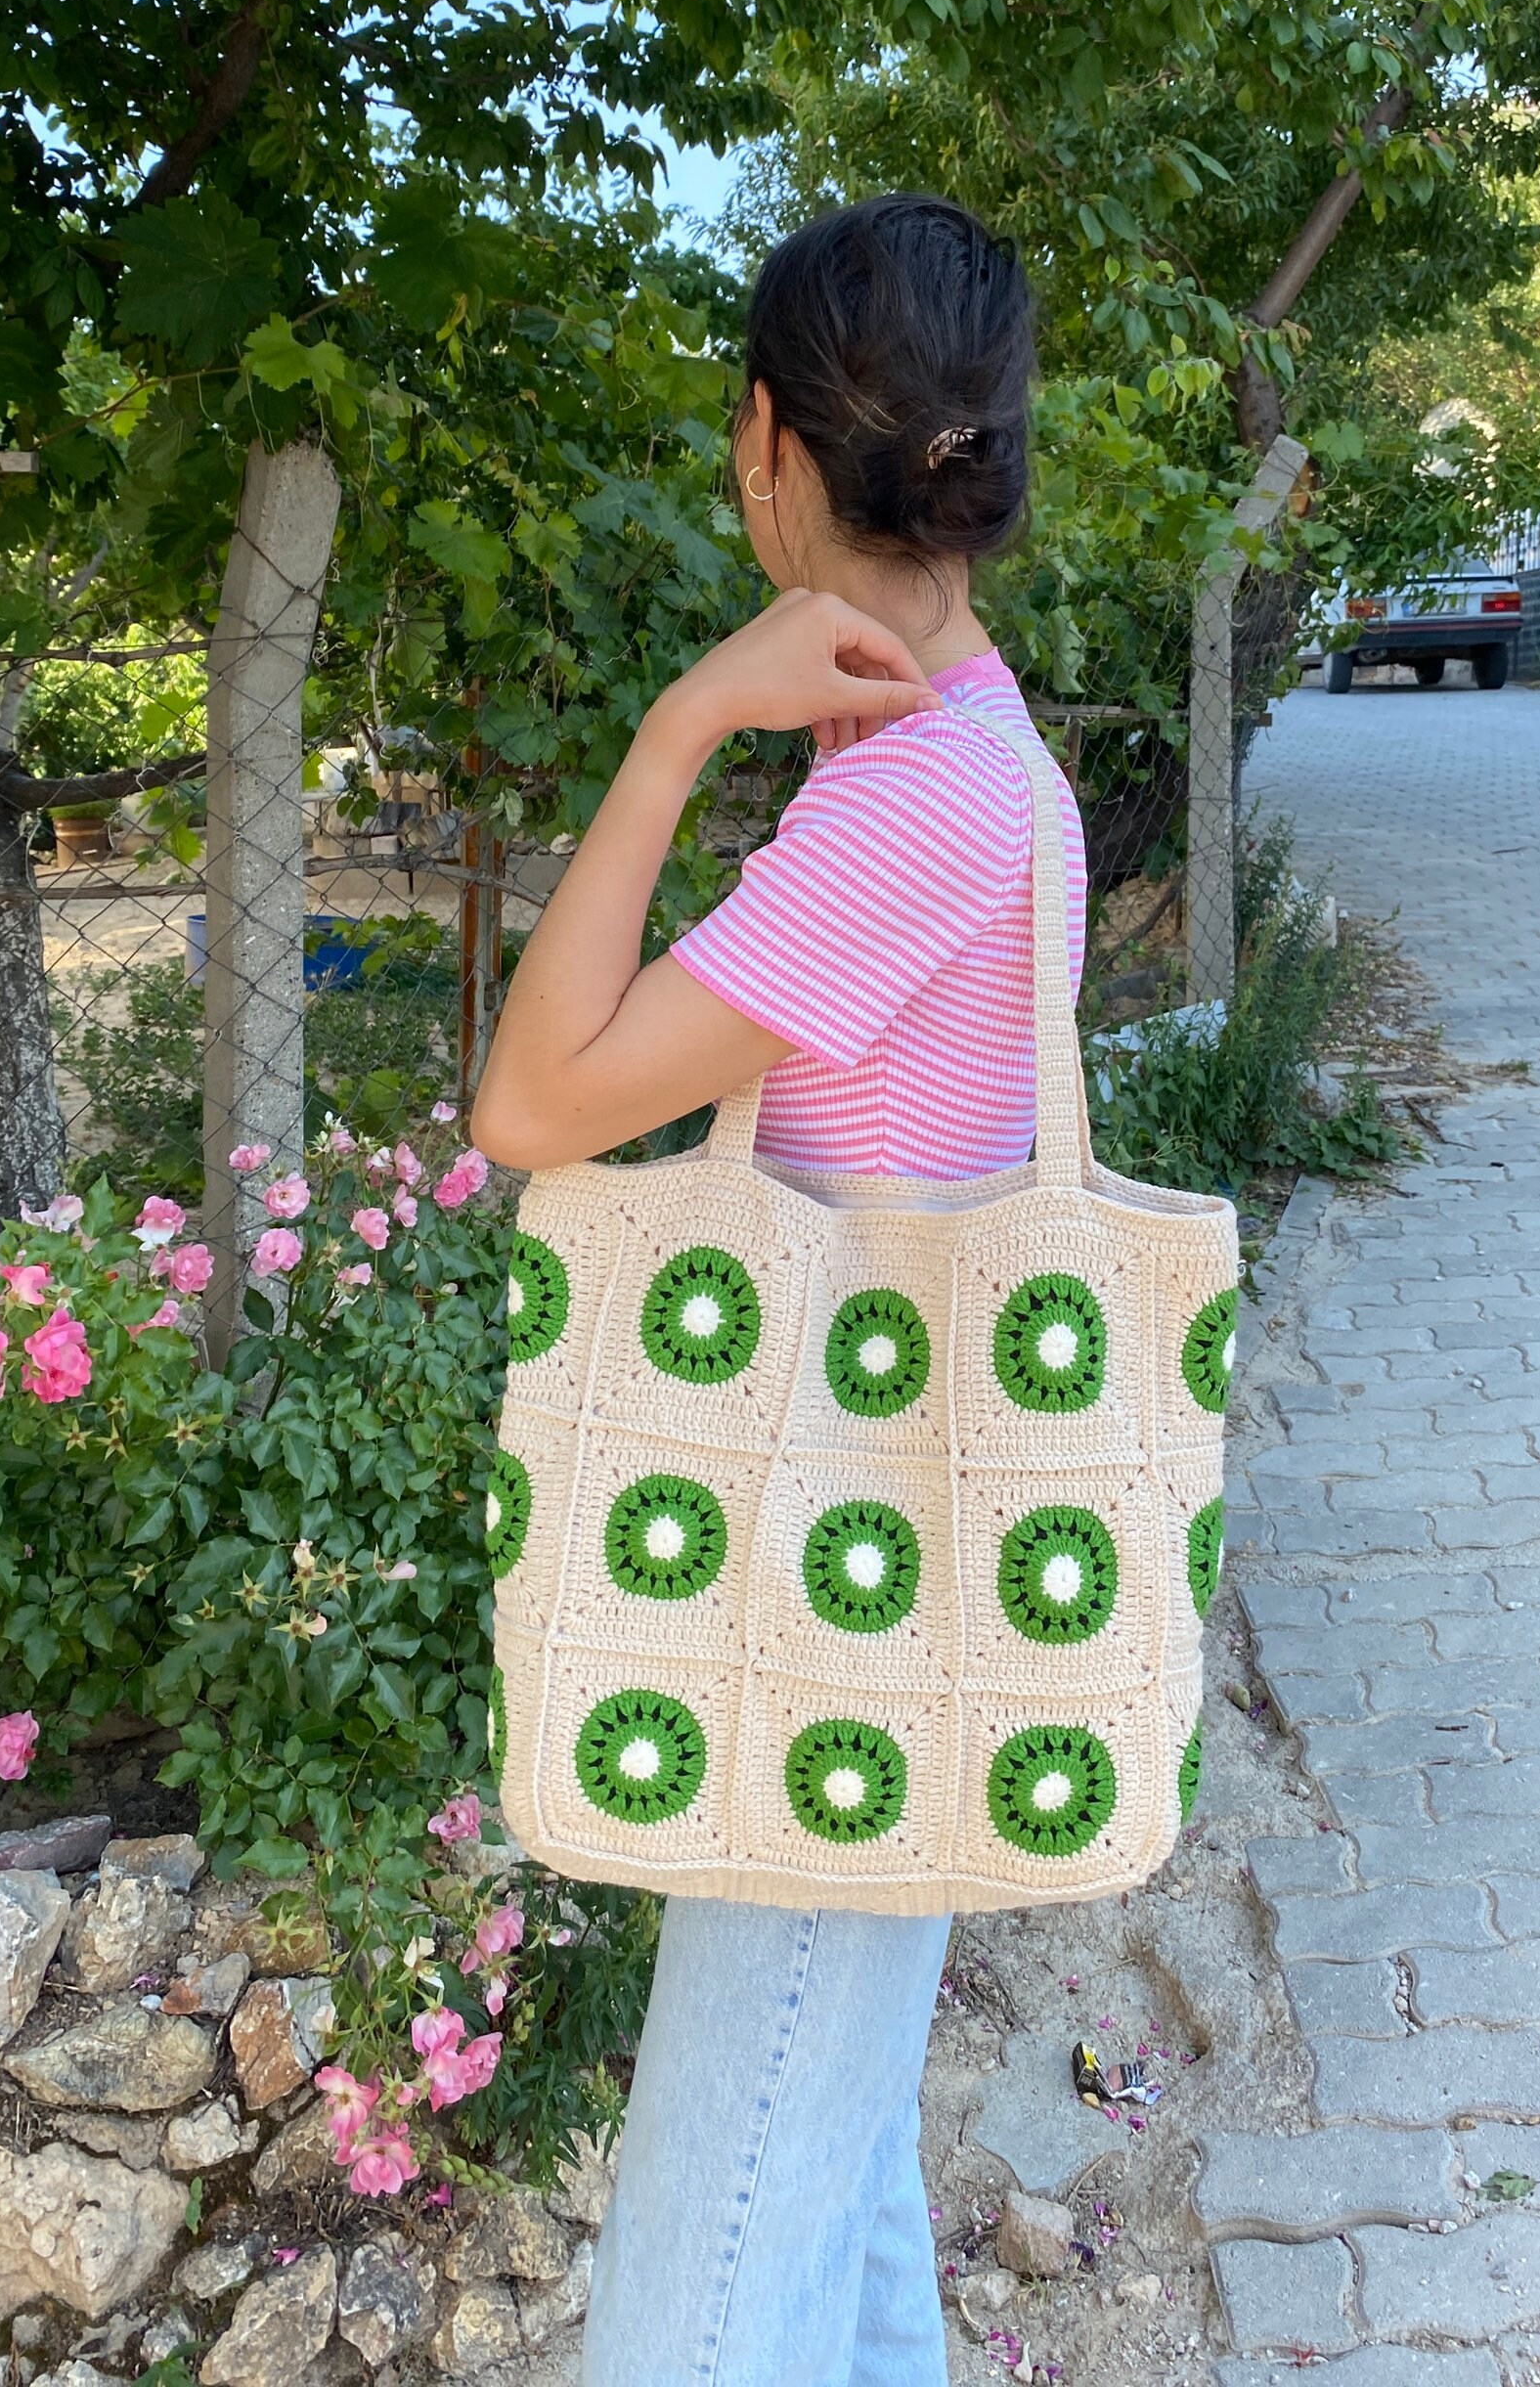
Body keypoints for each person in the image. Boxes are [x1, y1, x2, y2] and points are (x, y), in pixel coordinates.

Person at [472, 193, 1086, 2387]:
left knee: (710, 2258)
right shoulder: (961, 748)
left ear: (763, 444)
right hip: (883, 1573)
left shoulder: (907, 796)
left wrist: (669, 736)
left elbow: (534, 1101)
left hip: (839, 1600)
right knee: (828, 2183)